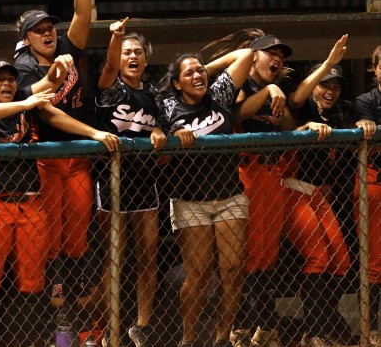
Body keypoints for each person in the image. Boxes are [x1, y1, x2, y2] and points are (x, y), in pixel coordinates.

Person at [0, 58, 120, 347]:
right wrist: (24, 105)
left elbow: (50, 97)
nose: (6, 84)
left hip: (30, 202)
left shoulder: (26, 98)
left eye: (11, 79)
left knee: (35, 286)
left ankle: (34, 341)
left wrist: (93, 132)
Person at [204, 31, 348, 347]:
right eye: (271, 52)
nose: (278, 58)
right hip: (247, 174)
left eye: (281, 55)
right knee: (250, 257)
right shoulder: (241, 87)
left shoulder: (277, 91)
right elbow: (237, 114)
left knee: (267, 257)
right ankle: (254, 326)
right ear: (252, 57)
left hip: (273, 176)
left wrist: (304, 127)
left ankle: (260, 327)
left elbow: (288, 125)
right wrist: (268, 89)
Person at [14, 0, 95, 328]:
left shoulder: (66, 48)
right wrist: (94, 133)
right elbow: (43, 108)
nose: (48, 33)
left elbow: (82, 17)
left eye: (50, 28)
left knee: (77, 236)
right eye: (39, 30)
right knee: (51, 236)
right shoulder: (23, 67)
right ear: (26, 38)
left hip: (77, 159)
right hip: (46, 158)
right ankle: (51, 309)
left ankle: (73, 308)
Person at [156, 48, 254, 347]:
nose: (197, 76)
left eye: (200, 71)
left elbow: (247, 55)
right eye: (189, 73)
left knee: (233, 269)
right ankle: (188, 338)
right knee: (199, 274)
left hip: (229, 195)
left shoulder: (219, 95)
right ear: (176, 83)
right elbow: (158, 156)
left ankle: (222, 338)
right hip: (190, 200)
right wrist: (172, 140)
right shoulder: (167, 106)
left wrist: (201, 69)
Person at [284, 62, 372, 346]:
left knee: (343, 260)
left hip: (330, 194)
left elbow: (357, 127)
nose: (330, 91)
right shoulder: (303, 107)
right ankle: (315, 330)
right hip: (297, 189)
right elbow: (289, 131)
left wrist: (361, 125)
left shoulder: (345, 110)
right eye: (325, 84)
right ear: (314, 86)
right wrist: (306, 127)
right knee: (317, 257)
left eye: (335, 85)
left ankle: (325, 319)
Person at [93, 17, 166, 347]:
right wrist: (116, 37)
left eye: (137, 52)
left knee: (148, 255)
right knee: (114, 259)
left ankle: (142, 326)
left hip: (144, 181)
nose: (132, 57)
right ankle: (111, 329)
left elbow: (161, 128)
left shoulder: (153, 94)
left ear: (145, 60)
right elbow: (108, 66)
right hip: (111, 180)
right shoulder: (111, 89)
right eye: (126, 52)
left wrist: (159, 130)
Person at [353, 44, 381, 347]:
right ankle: (371, 329)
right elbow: (368, 136)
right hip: (374, 180)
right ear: (375, 69)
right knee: (374, 262)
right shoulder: (367, 100)